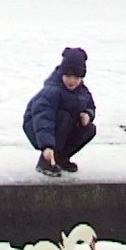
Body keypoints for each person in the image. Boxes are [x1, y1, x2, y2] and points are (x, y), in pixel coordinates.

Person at [22, 47, 96, 177]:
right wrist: (47, 146)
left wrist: (88, 114)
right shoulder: (52, 91)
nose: (72, 81)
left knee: (89, 128)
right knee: (64, 117)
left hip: (58, 129)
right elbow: (43, 118)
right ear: (62, 73)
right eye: (68, 76)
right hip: (37, 127)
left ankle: (60, 157)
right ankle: (45, 160)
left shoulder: (82, 91)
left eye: (76, 77)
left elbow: (90, 106)